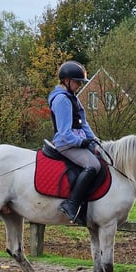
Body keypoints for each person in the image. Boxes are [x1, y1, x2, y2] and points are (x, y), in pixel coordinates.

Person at [48, 60, 101, 225]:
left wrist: (94, 140)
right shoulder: (61, 99)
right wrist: (82, 143)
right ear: (66, 81)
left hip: (77, 141)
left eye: (80, 82)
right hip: (66, 143)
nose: (79, 85)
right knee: (93, 166)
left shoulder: (73, 98)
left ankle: (86, 207)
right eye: (77, 81)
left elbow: (83, 123)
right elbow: (64, 132)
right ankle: (71, 204)